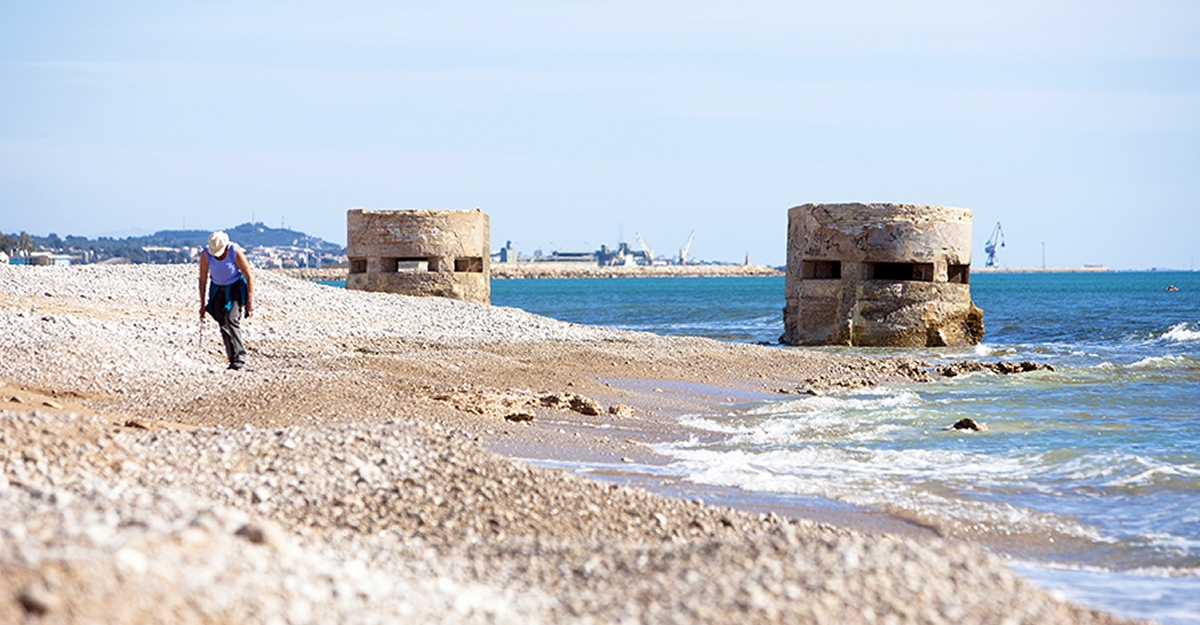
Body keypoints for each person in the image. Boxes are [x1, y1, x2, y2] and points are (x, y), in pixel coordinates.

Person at [198, 231, 255, 369]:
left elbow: (249, 276)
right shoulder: (206, 254)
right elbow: (203, 278)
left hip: (235, 288)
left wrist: (249, 302)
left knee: (231, 319)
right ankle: (232, 358)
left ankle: (240, 356)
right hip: (217, 289)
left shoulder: (234, 251)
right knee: (222, 323)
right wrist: (202, 304)